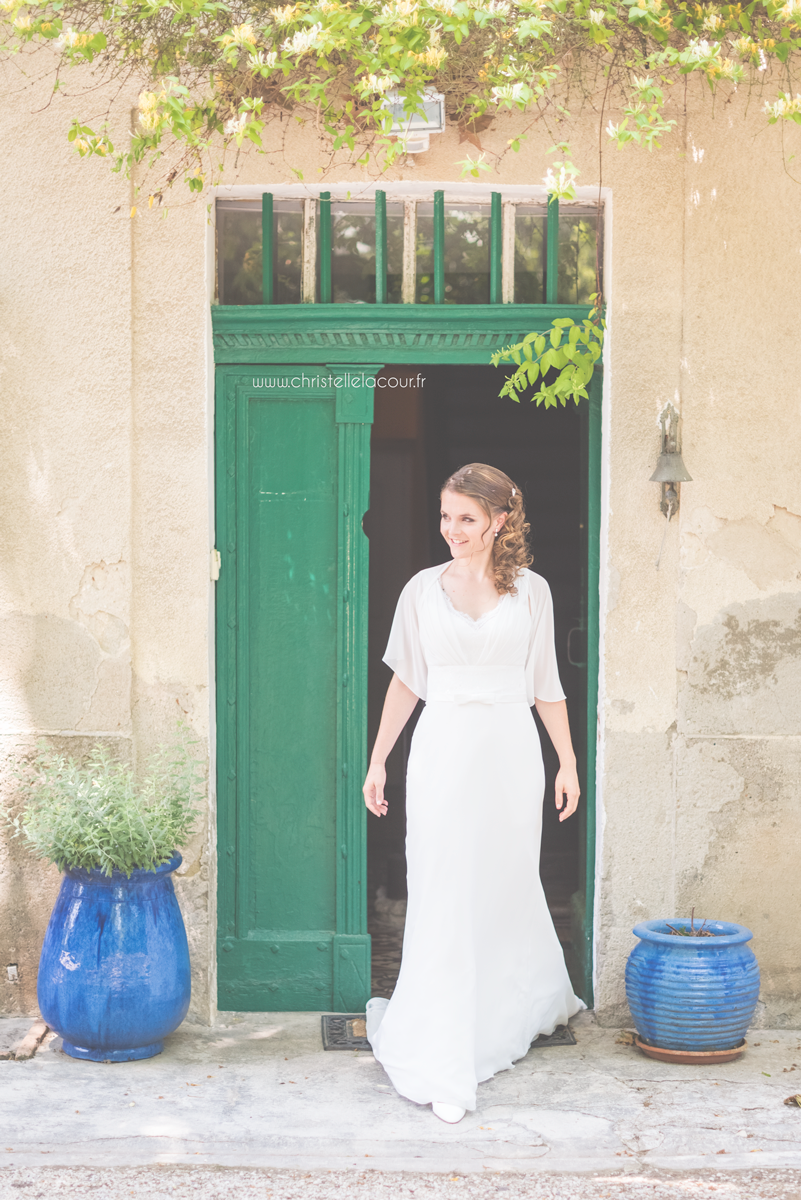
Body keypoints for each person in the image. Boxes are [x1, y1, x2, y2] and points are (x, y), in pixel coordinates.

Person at [362, 462, 585, 1125]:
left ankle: (506, 1006)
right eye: (445, 516)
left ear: (499, 520)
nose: (451, 529)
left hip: (511, 754)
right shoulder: (420, 591)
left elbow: (546, 683)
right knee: (443, 884)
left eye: (466, 517)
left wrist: (567, 762)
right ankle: (442, 1041)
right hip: (442, 754)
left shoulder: (534, 592)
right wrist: (378, 761)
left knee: (503, 882)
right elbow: (407, 681)